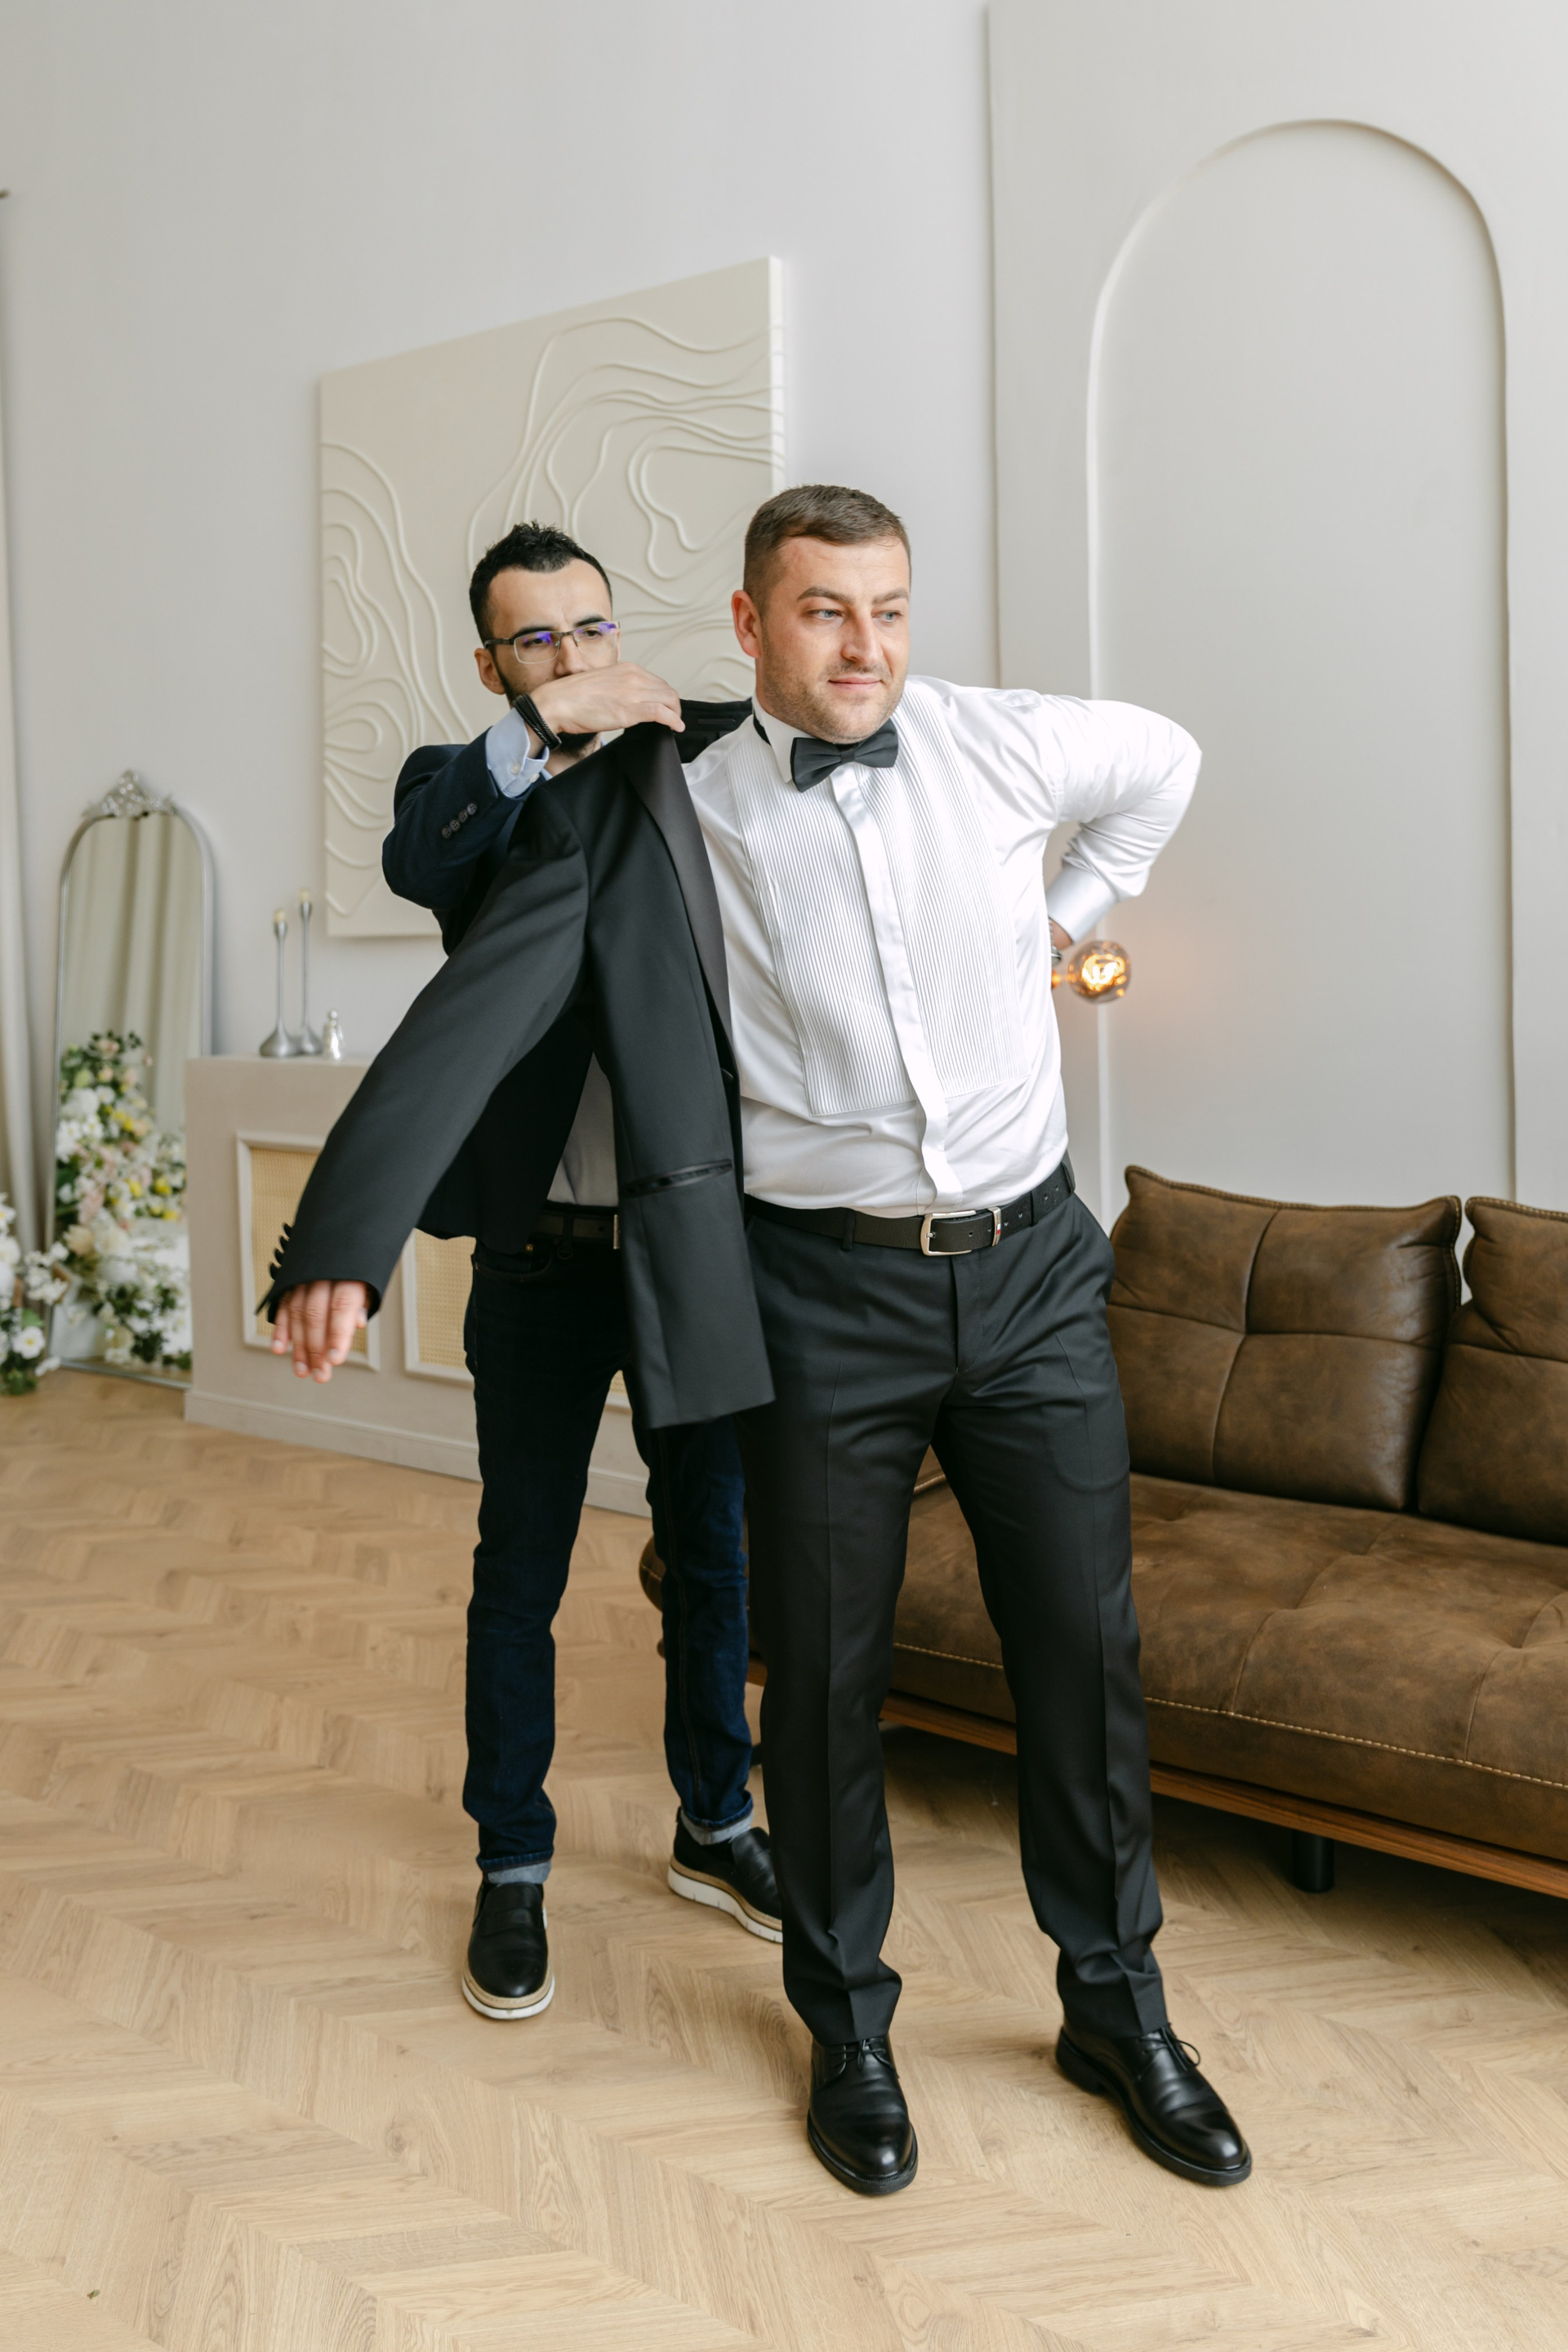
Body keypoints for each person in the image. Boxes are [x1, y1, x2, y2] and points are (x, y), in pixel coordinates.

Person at [266, 484, 1250, 2196]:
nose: (865, 647)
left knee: (1084, 1660)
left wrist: (1065, 922)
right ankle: (847, 2028)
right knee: (824, 1677)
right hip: (822, 1295)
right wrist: (344, 1233)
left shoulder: (998, 740)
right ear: (746, 623)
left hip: (1033, 1276)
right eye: (823, 611)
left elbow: (1166, 759)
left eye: (889, 608)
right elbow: (480, 995)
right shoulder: (661, 802)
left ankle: (1118, 2006)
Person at [283, 521, 781, 2025]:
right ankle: (512, 1861)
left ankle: (717, 1821)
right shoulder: (466, 789)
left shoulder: (707, 757)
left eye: (593, 627)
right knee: (523, 1569)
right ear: (491, 663)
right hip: (539, 1267)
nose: (575, 654)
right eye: (538, 639)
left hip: (694, 1254)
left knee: (717, 1557)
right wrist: (547, 727)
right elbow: (417, 857)